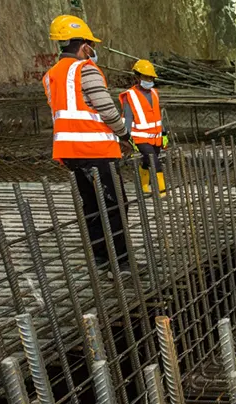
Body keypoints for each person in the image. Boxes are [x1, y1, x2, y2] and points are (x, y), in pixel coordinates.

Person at [43, 15, 131, 275]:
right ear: (83, 46)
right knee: (115, 204)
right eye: (92, 45)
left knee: (92, 205)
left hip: (69, 152)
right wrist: (124, 135)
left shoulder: (51, 75)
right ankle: (122, 263)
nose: (93, 51)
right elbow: (105, 108)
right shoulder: (85, 69)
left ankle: (102, 259)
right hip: (96, 150)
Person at [119, 59, 168, 195]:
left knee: (148, 161)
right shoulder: (130, 95)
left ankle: (143, 185)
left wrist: (164, 133)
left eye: (151, 77)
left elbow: (157, 116)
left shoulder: (154, 93)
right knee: (154, 161)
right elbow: (127, 118)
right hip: (140, 138)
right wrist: (126, 137)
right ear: (137, 77)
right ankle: (162, 190)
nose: (149, 80)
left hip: (156, 137)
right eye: (146, 77)